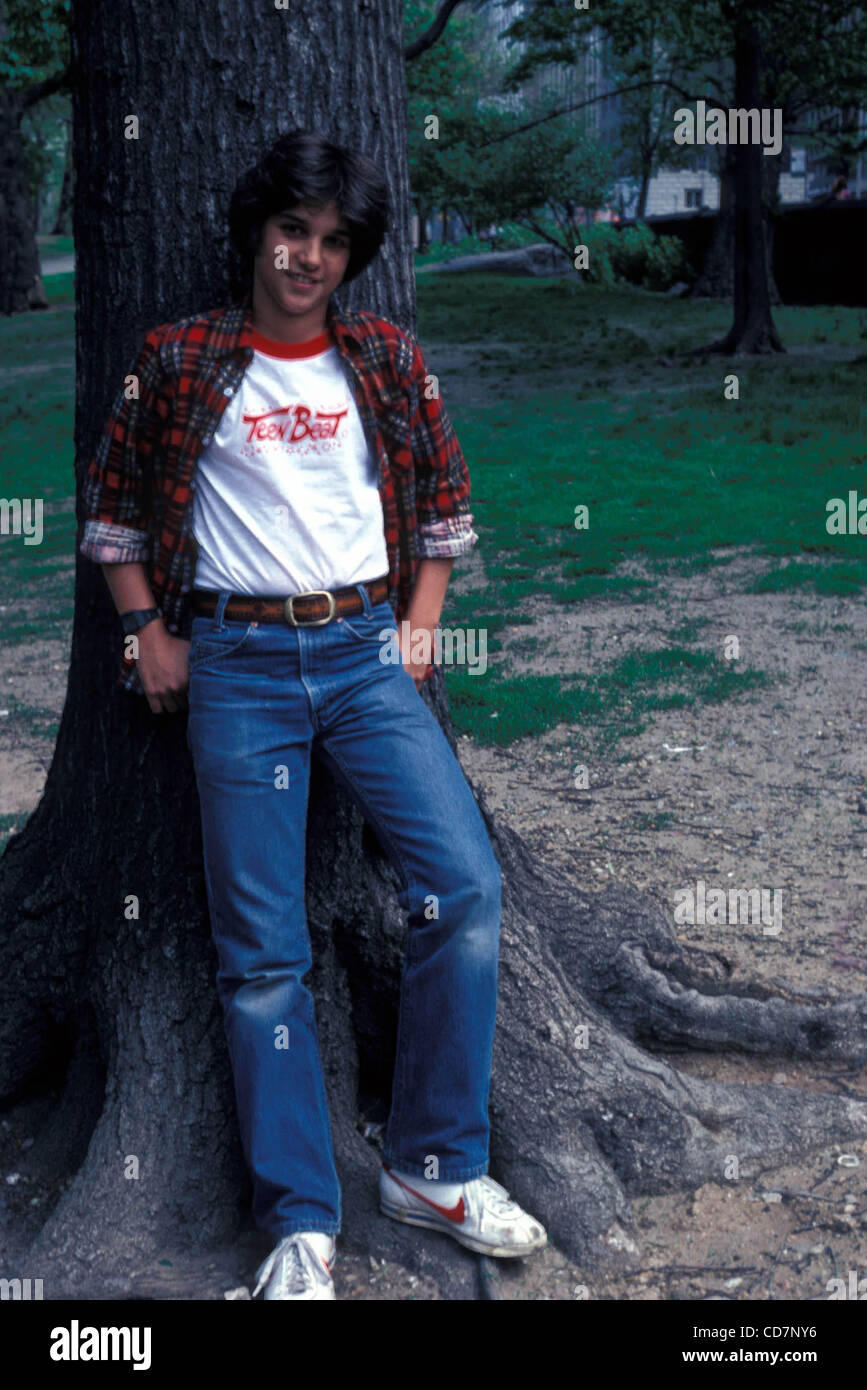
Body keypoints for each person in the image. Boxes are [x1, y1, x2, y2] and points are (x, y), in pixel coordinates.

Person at [79, 129, 547, 1300]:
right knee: (262, 959)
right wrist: (147, 629)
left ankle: (435, 1164)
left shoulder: (383, 359)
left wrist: (423, 615)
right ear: (258, 232)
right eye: (295, 232)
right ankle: (301, 1224)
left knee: (466, 886)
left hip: (361, 654)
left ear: (354, 259)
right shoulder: (179, 357)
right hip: (233, 662)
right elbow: (116, 508)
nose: (310, 258)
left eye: (335, 242)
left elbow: (442, 494)